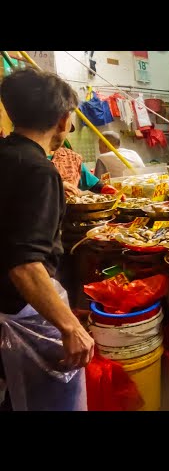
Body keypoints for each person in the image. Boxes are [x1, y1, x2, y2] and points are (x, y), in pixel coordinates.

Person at [0, 67, 94, 411]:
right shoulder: (39, 170)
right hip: (23, 312)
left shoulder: (7, 155)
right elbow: (25, 264)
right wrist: (71, 328)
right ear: (63, 119)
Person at [49, 143, 115, 197]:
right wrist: (57, 185)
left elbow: (89, 181)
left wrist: (104, 188)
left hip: (71, 210)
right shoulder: (39, 159)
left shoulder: (71, 157)